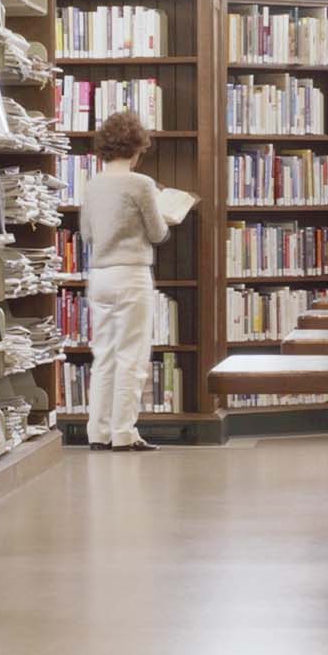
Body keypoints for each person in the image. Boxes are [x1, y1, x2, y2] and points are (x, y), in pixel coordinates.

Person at [71, 106, 194, 449]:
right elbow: (156, 234)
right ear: (137, 148)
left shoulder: (93, 185)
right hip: (131, 275)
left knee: (104, 356)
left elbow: (86, 231)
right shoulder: (141, 184)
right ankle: (124, 434)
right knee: (132, 357)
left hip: (100, 276)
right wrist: (166, 215)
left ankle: (98, 432)